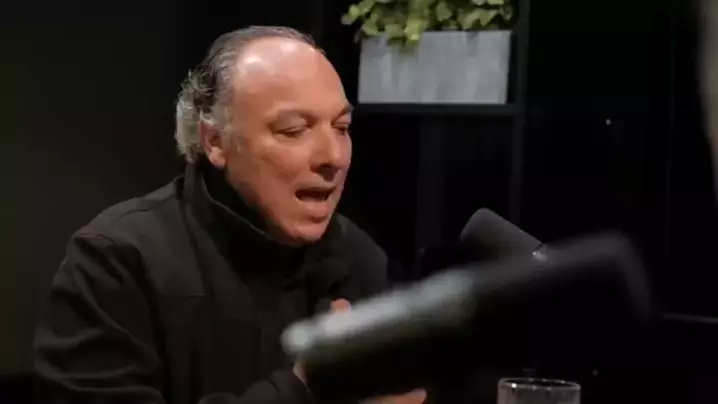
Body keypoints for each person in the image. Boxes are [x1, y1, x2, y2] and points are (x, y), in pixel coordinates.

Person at [33, 26, 426, 404]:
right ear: (215, 141)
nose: (333, 157)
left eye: (342, 127)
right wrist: (305, 389)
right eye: (294, 130)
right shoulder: (116, 261)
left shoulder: (358, 255)